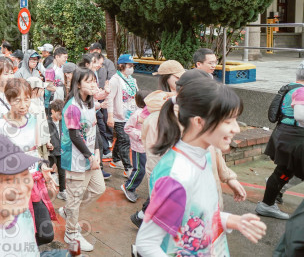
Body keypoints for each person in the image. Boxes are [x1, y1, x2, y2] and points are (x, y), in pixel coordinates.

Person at [135, 78, 266, 256]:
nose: (236, 129)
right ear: (199, 122)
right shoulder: (176, 175)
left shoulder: (203, 156)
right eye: (228, 121)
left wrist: (232, 220)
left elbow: (195, 217)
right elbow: (146, 243)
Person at [0, 78, 57, 246]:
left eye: (26, 99)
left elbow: (35, 151)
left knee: (46, 234)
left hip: (35, 184)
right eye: (17, 100)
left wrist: (43, 166)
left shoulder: (32, 120)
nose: (23, 105)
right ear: (8, 100)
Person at [59, 67, 106, 252]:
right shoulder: (73, 106)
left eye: (94, 81)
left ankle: (68, 211)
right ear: (78, 84)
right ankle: (71, 233)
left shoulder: (90, 102)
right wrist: (90, 155)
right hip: (75, 159)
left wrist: (97, 152)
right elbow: (75, 135)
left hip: (90, 157)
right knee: (75, 197)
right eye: (88, 81)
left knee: (98, 188)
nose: (93, 84)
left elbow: (94, 128)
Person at [256, 61, 304, 219]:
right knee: (284, 172)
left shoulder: (292, 87)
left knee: (284, 172)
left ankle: (269, 201)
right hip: (294, 138)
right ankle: (268, 202)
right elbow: (300, 116)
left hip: (286, 135)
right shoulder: (301, 91)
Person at [107, 54, 138, 177]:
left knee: (122, 139)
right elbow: (110, 98)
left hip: (131, 115)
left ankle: (115, 160)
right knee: (125, 140)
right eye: (129, 66)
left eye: (132, 66)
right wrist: (110, 116)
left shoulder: (132, 80)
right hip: (119, 116)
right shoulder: (115, 80)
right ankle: (128, 168)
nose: (131, 68)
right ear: (121, 66)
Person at [122, 89, 152, 203]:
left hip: (147, 146)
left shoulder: (151, 113)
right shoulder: (137, 114)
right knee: (140, 169)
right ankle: (128, 187)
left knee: (144, 169)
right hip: (139, 147)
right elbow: (127, 128)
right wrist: (141, 135)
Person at [48, 99, 66, 200]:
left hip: (61, 150)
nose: (61, 116)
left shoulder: (62, 122)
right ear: (53, 111)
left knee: (62, 172)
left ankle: (62, 191)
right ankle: (46, 191)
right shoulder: (47, 123)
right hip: (51, 152)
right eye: (59, 114)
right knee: (48, 171)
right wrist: (48, 143)